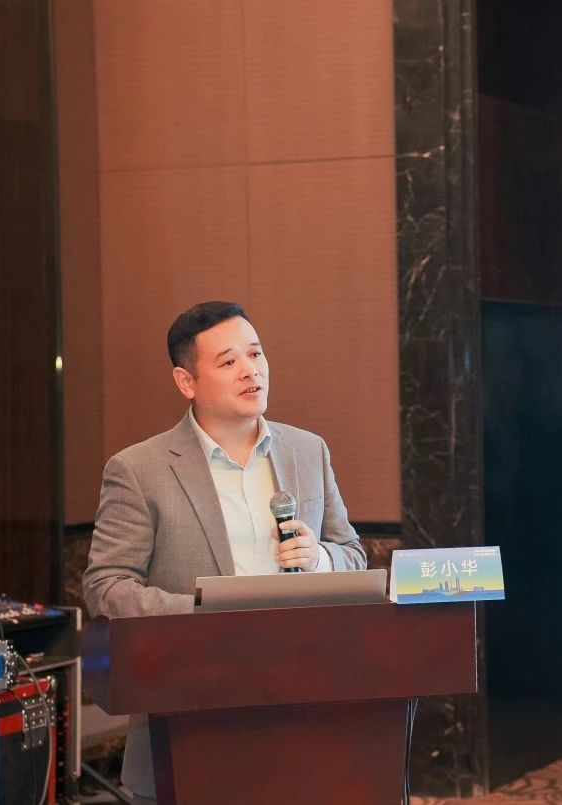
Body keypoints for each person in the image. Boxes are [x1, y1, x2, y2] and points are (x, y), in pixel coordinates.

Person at [83, 300, 367, 804]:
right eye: (229, 360)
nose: (250, 370)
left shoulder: (308, 450)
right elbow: (106, 588)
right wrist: (205, 612)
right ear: (186, 381)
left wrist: (320, 560)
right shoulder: (140, 469)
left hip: (307, 708)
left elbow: (352, 554)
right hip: (192, 716)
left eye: (255, 353)